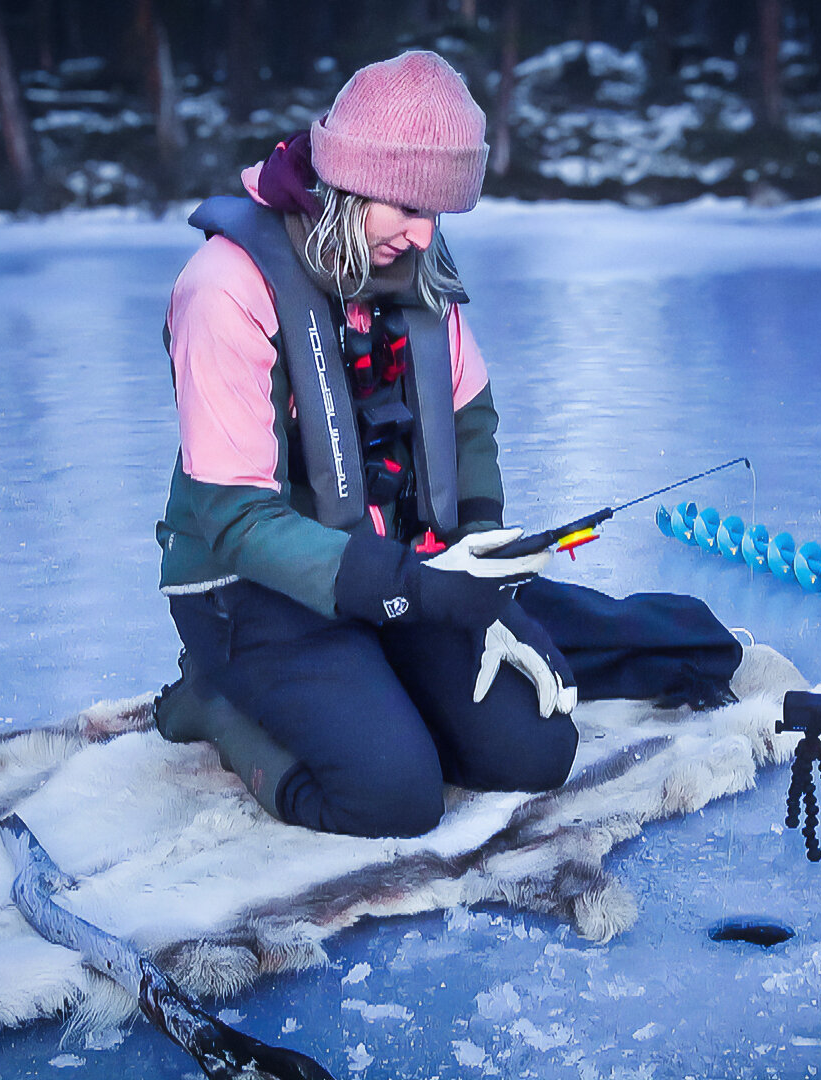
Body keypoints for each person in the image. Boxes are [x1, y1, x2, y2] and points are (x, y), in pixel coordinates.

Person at [154, 51, 581, 839]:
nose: (424, 234)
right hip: (251, 593)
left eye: (441, 212)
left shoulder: (415, 259)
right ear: (349, 178)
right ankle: (210, 701)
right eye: (408, 207)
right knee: (392, 797)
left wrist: (481, 570)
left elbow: (470, 421)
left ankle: (381, 682)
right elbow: (237, 522)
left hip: (390, 569)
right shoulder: (222, 290)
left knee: (535, 751)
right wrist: (417, 592)